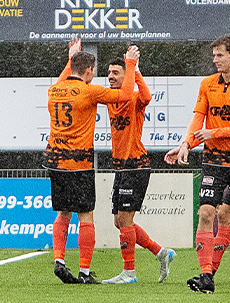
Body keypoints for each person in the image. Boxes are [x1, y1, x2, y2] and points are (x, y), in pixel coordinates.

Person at [165, 35, 230, 294]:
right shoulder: (208, 84)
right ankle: (206, 276)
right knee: (206, 213)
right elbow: (199, 118)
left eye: (220, 55)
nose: (215, 59)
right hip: (214, 161)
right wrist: (186, 144)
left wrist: (215, 133)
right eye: (214, 55)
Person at [47, 39, 140, 285]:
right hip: (80, 163)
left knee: (63, 213)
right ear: (89, 71)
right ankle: (85, 272)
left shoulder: (54, 89)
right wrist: (130, 64)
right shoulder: (89, 90)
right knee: (85, 215)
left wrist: (71, 58)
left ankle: (59, 260)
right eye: (93, 71)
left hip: (56, 161)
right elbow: (126, 94)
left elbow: (66, 76)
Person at [100, 55, 177, 285]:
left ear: (127, 76)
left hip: (136, 164)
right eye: (109, 72)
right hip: (121, 167)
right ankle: (161, 252)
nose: (111, 76)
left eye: (116, 72)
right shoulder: (112, 98)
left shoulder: (133, 98)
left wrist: (136, 70)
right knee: (119, 220)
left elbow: (146, 96)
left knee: (125, 219)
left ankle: (129, 273)